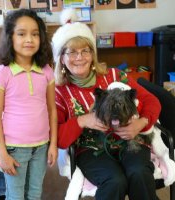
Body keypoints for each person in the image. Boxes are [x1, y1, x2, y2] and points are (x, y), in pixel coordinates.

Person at [52, 9, 161, 200]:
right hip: (91, 149)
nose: (80, 57)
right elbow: (58, 138)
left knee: (139, 173)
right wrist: (81, 121)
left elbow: (151, 101)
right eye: (72, 52)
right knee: (114, 181)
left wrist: (141, 123)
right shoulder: (58, 92)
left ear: (92, 54)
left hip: (131, 141)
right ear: (61, 58)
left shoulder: (114, 75)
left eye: (85, 50)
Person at [0, 9, 57, 200]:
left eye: (35, 34)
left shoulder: (46, 71)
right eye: (21, 33)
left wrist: (53, 145)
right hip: (14, 149)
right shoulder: (2, 73)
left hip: (42, 146)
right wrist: (2, 155)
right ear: (10, 37)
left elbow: (52, 110)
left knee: (35, 193)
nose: (29, 39)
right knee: (16, 196)